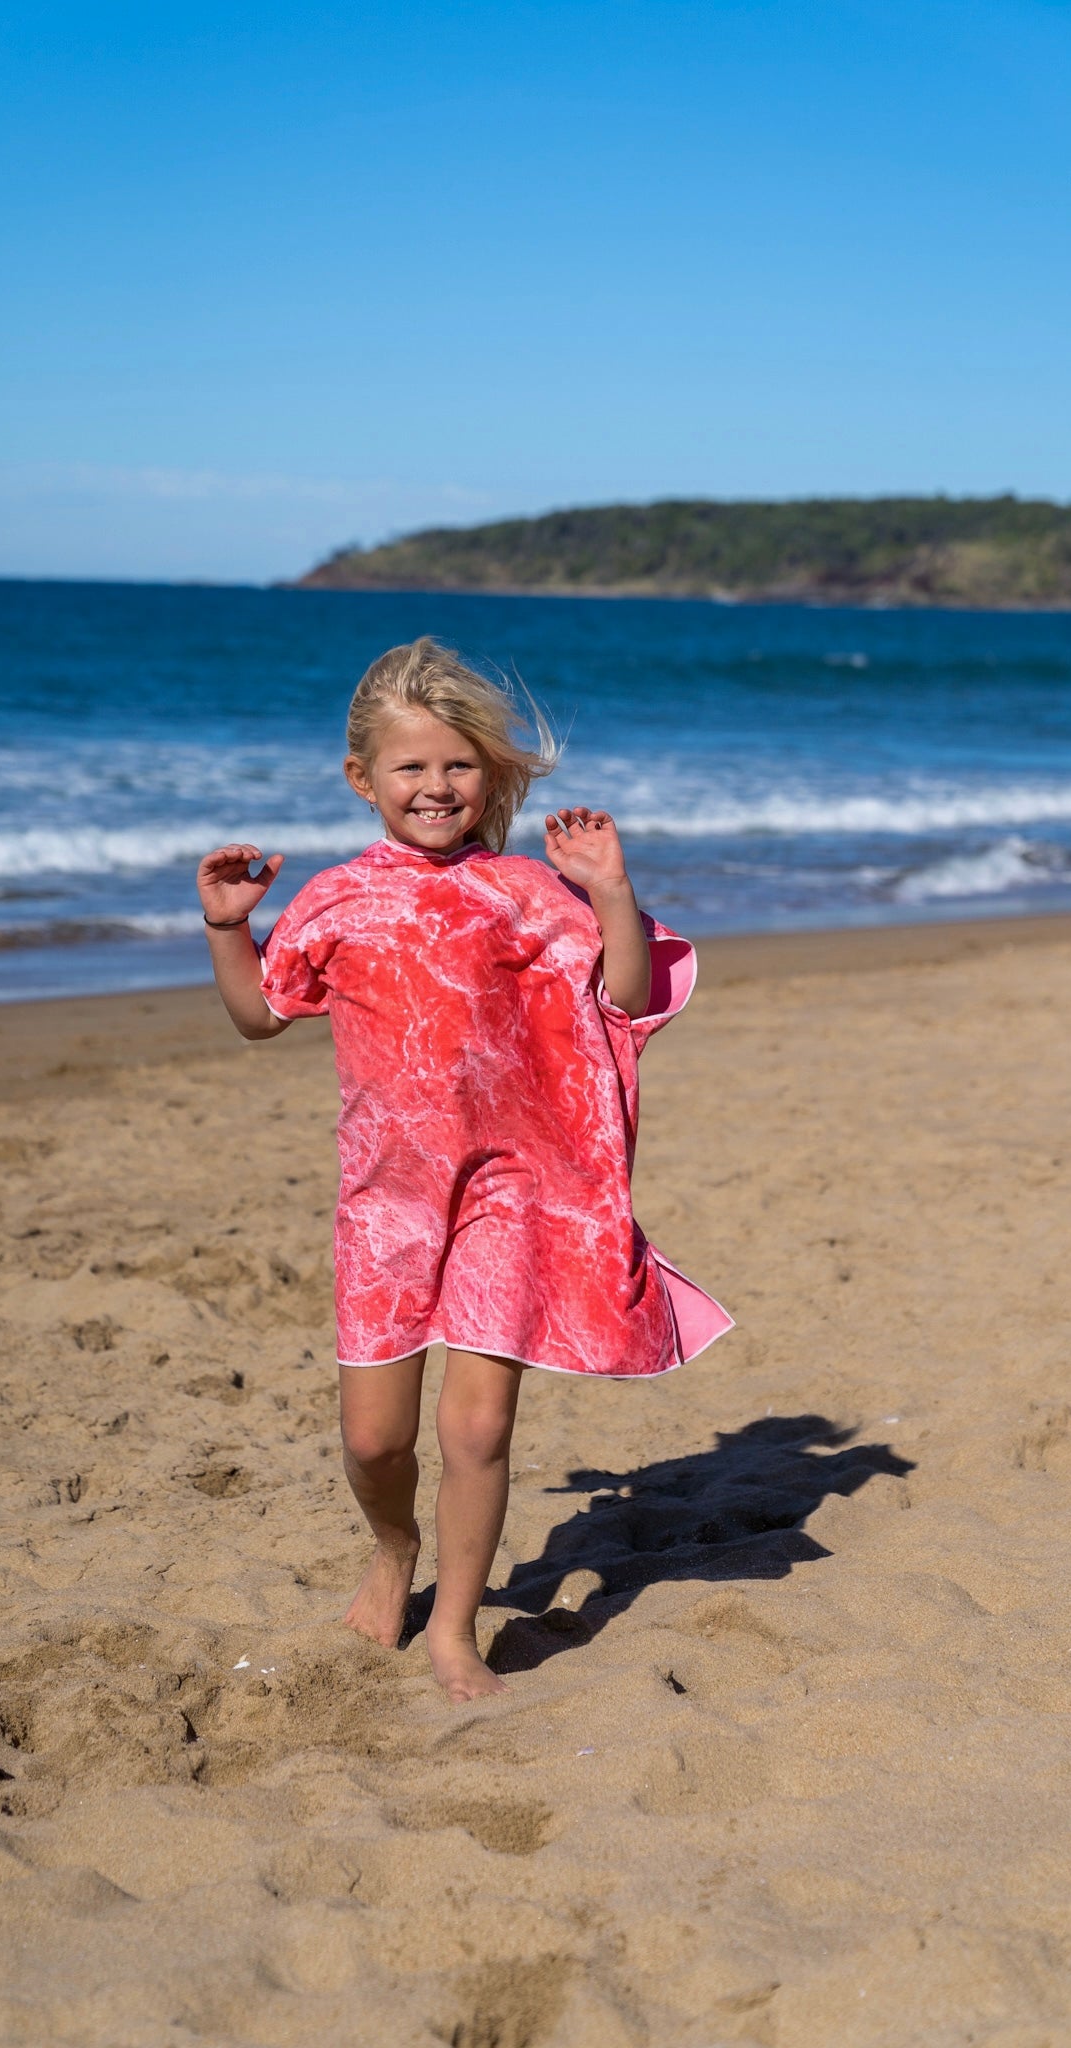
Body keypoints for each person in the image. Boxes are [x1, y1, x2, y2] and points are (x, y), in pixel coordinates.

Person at [196, 637, 732, 1702]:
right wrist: (227, 926)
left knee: (476, 1426)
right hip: (387, 1200)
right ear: (363, 779)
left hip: (509, 1188)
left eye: (459, 765)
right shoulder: (336, 899)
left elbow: (625, 998)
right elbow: (260, 1015)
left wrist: (611, 890)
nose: (436, 786)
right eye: (411, 766)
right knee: (375, 1440)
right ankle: (396, 1547)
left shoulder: (526, 891)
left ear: (489, 775)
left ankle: (453, 1628)